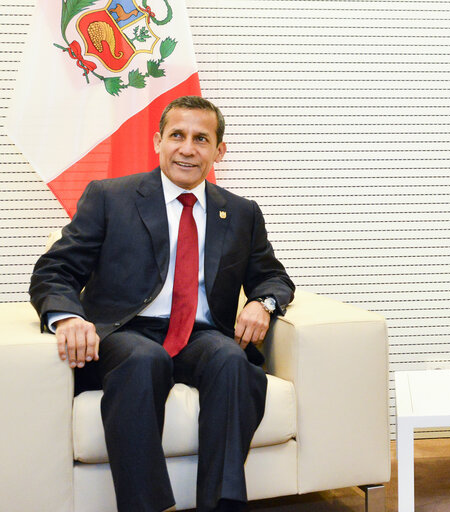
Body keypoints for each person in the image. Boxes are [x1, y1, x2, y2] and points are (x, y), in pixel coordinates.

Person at [30, 96, 295, 512]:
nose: (187, 149)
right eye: (177, 135)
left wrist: (262, 303)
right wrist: (67, 317)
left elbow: (273, 277)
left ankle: (222, 503)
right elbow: (55, 270)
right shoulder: (109, 197)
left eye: (201, 139)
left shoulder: (241, 213)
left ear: (218, 151)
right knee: (144, 359)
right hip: (126, 334)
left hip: (201, 335)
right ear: (158, 141)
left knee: (231, 360)